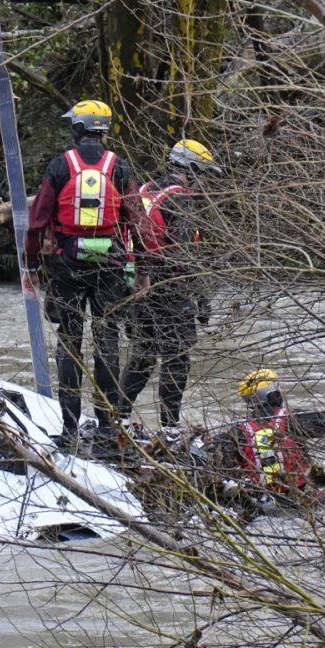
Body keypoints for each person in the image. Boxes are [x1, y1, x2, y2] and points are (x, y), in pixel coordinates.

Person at [21, 100, 147, 451]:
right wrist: (144, 272)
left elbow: (36, 224)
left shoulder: (60, 166)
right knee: (107, 343)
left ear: (78, 128)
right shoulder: (119, 168)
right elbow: (140, 224)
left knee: (69, 345)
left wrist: (30, 268)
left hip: (67, 267)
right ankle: (107, 429)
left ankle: (70, 430)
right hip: (110, 266)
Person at [118, 139, 221, 445]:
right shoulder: (182, 201)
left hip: (138, 285)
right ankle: (170, 428)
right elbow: (185, 256)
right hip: (169, 288)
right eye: (202, 173)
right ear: (190, 169)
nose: (203, 181)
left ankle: (119, 417)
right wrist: (202, 300)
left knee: (144, 355)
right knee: (176, 358)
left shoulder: (145, 191)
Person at [194, 369, 325, 515]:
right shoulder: (294, 421)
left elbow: (215, 469)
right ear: (271, 392)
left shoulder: (236, 433)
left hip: (260, 507)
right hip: (302, 504)